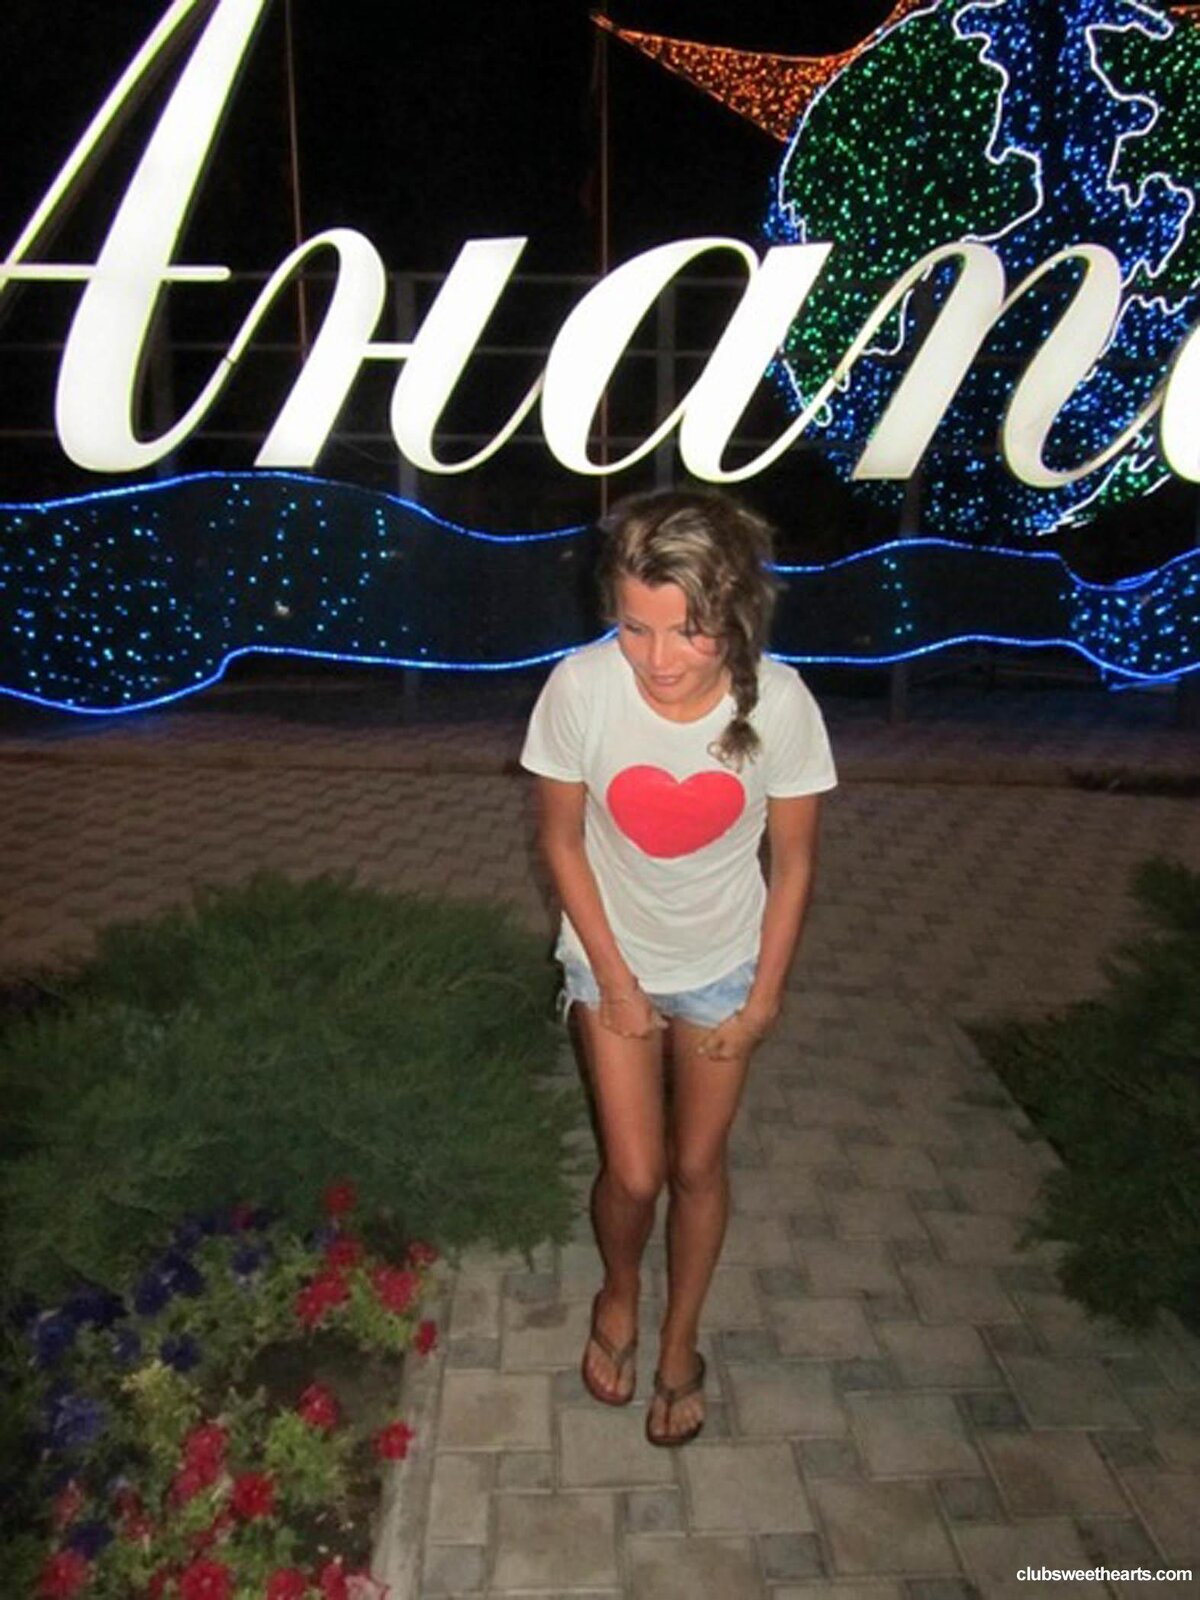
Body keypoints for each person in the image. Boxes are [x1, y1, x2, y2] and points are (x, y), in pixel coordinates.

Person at [519, 487, 836, 1447]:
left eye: (688, 631)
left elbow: (795, 862)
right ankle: (619, 1290)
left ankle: (680, 1341)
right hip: (609, 954)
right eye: (634, 627)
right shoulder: (581, 687)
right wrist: (613, 982)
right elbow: (561, 841)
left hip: (723, 965)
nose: (658, 659)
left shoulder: (781, 703)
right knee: (635, 1172)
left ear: (733, 614)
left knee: (698, 1165)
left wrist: (763, 1001)